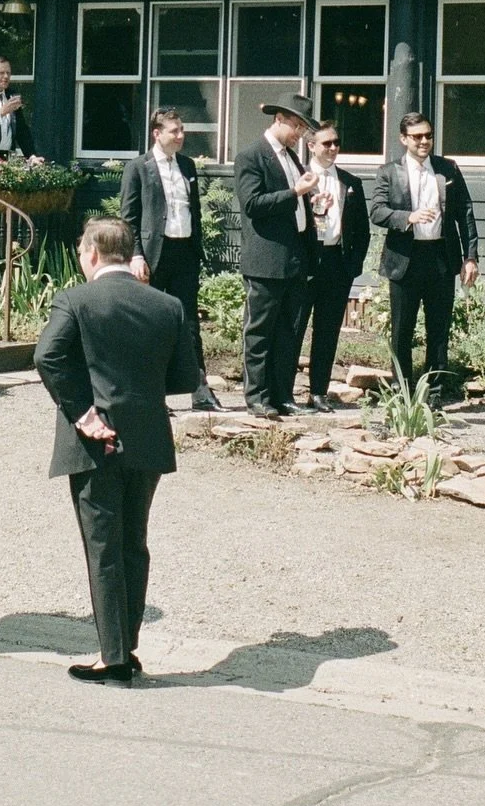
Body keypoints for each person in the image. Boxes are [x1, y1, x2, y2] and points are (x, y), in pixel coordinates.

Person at [34, 217, 199, 685]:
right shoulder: (167, 305)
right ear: (129, 255)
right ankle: (125, 644)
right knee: (134, 545)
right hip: (146, 434)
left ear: (90, 254)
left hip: (94, 439)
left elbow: (47, 356)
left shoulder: (75, 299)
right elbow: (184, 379)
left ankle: (114, 657)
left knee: (103, 545)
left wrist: (84, 413)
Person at [370, 113, 479, 400]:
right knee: (402, 331)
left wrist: (471, 257)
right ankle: (403, 392)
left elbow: (465, 214)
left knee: (438, 330)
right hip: (405, 259)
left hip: (440, 257)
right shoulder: (389, 172)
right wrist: (409, 216)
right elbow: (377, 211)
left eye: (428, 135)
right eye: (417, 136)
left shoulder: (448, 169)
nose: (424, 141)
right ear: (403, 139)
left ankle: (435, 393)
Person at [120, 107, 219, 411]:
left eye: (181, 130)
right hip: (152, 256)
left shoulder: (187, 165)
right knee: (149, 324)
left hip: (184, 252)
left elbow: (194, 211)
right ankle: (150, 396)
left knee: (189, 324)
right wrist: (135, 255)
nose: (180, 136)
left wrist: (197, 249)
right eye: (174, 131)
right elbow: (129, 218)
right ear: (156, 134)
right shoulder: (139, 167)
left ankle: (200, 391)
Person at [233, 94, 318, 417]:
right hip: (266, 260)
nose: (300, 134)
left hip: (294, 259)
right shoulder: (252, 156)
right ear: (279, 118)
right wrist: (295, 192)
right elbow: (252, 204)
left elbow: (293, 204)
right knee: (259, 332)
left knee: (288, 333)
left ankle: (282, 396)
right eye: (297, 126)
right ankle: (257, 396)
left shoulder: (293, 159)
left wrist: (309, 200)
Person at [294, 120, 371, 411]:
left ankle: (318, 391)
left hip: (337, 263)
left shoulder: (350, 182)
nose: (333, 148)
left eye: (336, 142)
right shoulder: (299, 177)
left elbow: (362, 230)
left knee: (327, 330)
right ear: (311, 146)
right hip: (306, 262)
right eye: (327, 143)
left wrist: (353, 264)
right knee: (295, 326)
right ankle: (284, 391)